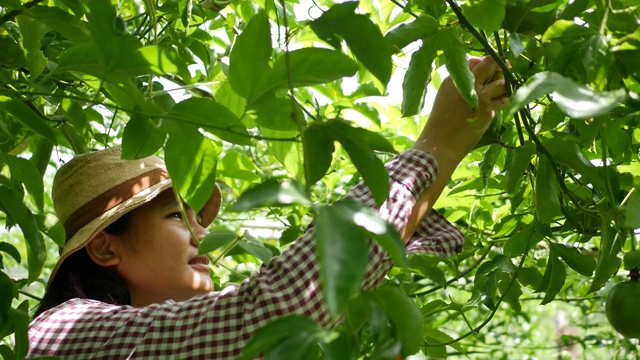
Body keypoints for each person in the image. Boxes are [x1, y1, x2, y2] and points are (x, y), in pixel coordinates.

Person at [27, 56, 509, 358]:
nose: (201, 236)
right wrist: (437, 146)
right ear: (105, 249)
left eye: (198, 217)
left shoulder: (165, 340)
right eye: (177, 216)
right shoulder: (61, 332)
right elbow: (267, 312)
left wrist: (443, 157)